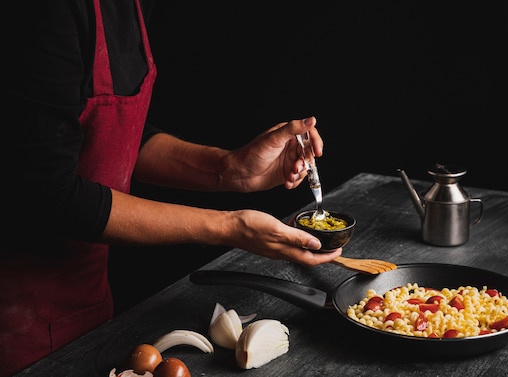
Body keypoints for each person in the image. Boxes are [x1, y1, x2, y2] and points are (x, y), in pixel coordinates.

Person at [0, 1, 341, 375]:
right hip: (17, 327)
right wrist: (230, 228)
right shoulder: (44, 13)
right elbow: (48, 193)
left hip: (88, 306)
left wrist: (229, 169)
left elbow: (111, 137)